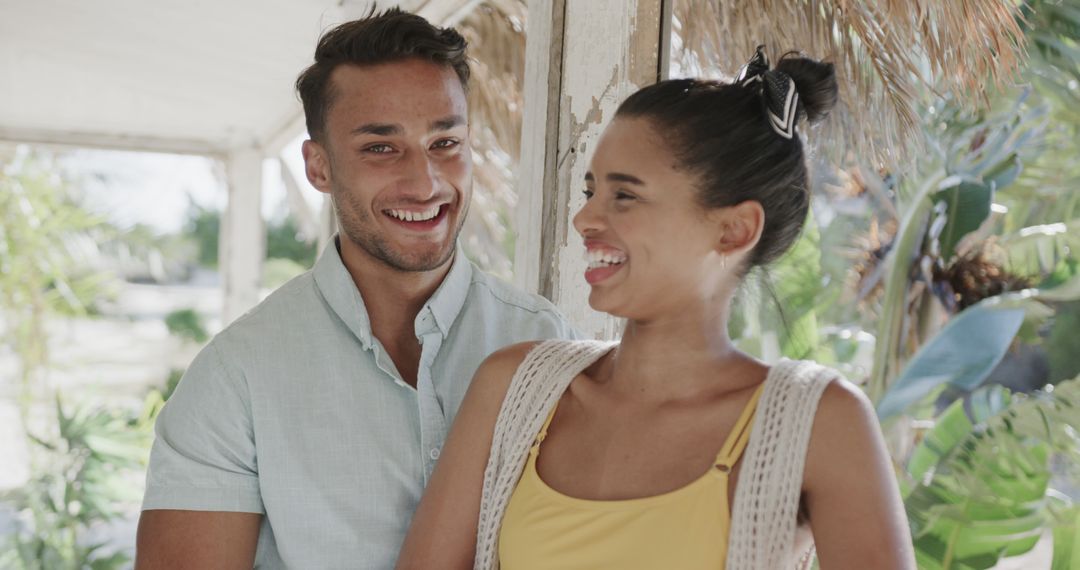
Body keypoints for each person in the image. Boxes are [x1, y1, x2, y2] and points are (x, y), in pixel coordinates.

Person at [397, 47, 916, 569]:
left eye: (625, 197)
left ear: (734, 229)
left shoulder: (820, 422)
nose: (585, 219)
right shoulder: (514, 390)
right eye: (591, 190)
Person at [134, 8, 576, 569]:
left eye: (445, 142)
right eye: (380, 148)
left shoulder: (549, 343)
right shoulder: (235, 378)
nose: (425, 183)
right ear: (318, 167)